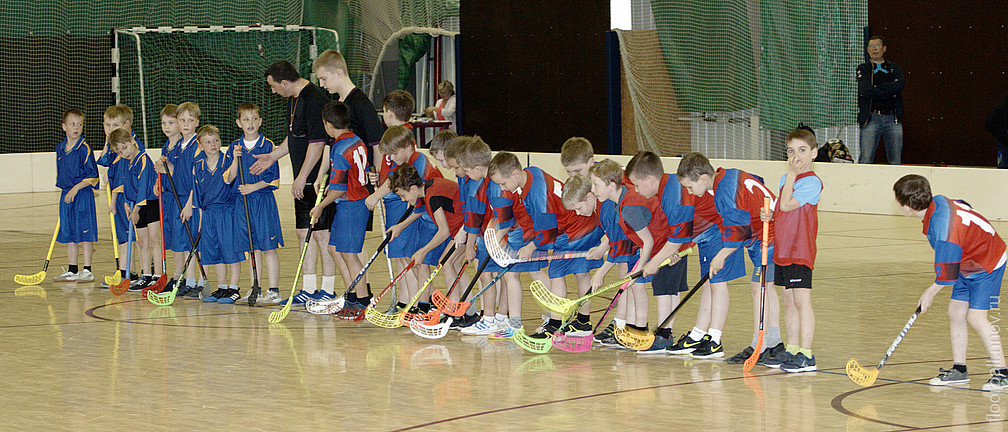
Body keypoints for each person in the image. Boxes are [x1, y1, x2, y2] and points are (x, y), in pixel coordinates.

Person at [893, 174, 1008, 391]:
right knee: (956, 311)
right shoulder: (938, 203)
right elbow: (965, 206)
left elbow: (947, 273)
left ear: (907, 207)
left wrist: (929, 292)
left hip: (987, 263)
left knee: (976, 317)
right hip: (967, 259)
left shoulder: (945, 230)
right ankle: (960, 370)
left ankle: (1003, 373)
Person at [677, 152, 781, 360]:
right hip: (762, 232)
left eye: (690, 186)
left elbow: (739, 230)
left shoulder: (724, 190)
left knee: (759, 288)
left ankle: (760, 346)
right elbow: (757, 182)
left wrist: (721, 255)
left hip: (769, 233)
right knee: (765, 288)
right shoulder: (729, 175)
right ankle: (773, 344)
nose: (689, 191)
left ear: (704, 178)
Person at [251, 61, 336, 303]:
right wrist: (272, 156)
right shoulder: (293, 99)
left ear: (285, 83)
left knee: (321, 235)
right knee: (303, 232)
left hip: (317, 180)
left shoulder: (314, 99)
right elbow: (295, 137)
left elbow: (318, 142)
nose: (273, 91)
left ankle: (328, 290)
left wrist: (302, 177)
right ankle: (309, 288)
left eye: (273, 86)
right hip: (303, 178)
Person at [587, 159, 669, 344]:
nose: (593, 189)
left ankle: (640, 331)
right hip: (646, 246)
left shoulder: (629, 207)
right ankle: (630, 329)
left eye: (596, 185)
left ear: (612, 185)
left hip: (660, 244)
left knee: (638, 285)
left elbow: (648, 241)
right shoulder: (621, 200)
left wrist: (639, 268)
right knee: (634, 287)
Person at [761, 129, 821, 372]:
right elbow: (780, 210)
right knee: (788, 300)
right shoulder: (787, 180)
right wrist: (769, 215)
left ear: (814, 153)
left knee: (801, 301)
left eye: (802, 150)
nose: (795, 156)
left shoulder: (812, 182)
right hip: (783, 249)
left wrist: (791, 174)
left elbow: (787, 204)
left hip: (800, 249)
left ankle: (807, 354)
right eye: (790, 151)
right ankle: (793, 349)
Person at [365, 125, 443, 310]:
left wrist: (376, 196)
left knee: (416, 261)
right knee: (413, 262)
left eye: (393, 154)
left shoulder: (418, 163)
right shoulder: (409, 161)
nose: (391, 159)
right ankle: (419, 303)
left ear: (408, 147)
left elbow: (415, 196)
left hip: (431, 219)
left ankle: (427, 304)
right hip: (425, 216)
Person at [625, 152, 695, 353]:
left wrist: (654, 261)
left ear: (649, 179)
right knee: (669, 288)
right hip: (680, 244)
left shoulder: (671, 193)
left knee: (664, 287)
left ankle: (664, 336)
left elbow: (680, 230)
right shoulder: (667, 188)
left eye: (637, 185)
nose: (636, 190)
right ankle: (666, 333)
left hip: (686, 241)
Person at [487, 152, 560, 338]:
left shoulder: (535, 194)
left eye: (503, 183)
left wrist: (531, 246)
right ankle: (548, 317)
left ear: (515, 174)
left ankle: (522, 324)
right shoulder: (529, 173)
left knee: (525, 273)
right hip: (537, 227)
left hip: (562, 228)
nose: (502, 188)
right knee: (531, 272)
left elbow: (548, 227)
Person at [308, 101, 371, 308]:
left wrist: (320, 206)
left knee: (350, 256)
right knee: (335, 248)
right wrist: (334, 187)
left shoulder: (340, 148)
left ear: (328, 124)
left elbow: (340, 189)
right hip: (350, 203)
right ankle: (351, 294)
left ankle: (362, 300)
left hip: (352, 205)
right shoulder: (356, 139)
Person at [387, 165, 465, 313]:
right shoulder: (426, 190)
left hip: (465, 228)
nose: (403, 200)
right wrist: (400, 226)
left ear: (414, 189)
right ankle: (460, 312)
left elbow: (444, 232)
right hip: (459, 228)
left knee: (447, 263)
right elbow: (420, 209)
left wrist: (423, 251)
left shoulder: (432, 195)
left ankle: (454, 312)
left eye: (404, 196)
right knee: (449, 264)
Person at [228, 103, 284, 304]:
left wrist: (253, 187)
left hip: (262, 202)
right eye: (246, 119)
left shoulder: (268, 146)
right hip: (242, 204)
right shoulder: (235, 147)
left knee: (268, 246)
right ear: (238, 123)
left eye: (254, 118)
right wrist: (235, 159)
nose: (250, 123)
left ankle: (274, 290)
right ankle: (256, 288)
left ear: (260, 121)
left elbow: (273, 178)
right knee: (252, 248)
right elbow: (229, 178)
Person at [458, 138, 513, 335]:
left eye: (467, 170)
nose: (465, 174)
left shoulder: (485, 185)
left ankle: (491, 318)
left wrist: (475, 246)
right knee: (499, 275)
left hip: (496, 236)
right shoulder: (488, 180)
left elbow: (480, 220)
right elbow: (476, 217)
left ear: (477, 168)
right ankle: (499, 317)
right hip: (499, 235)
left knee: (490, 275)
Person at [189, 125, 247, 304]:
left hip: (226, 212)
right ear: (200, 146)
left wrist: (236, 161)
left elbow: (230, 178)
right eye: (207, 142)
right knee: (215, 252)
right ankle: (222, 287)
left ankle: (234, 287)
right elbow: (197, 196)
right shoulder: (197, 167)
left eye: (215, 140)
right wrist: (200, 220)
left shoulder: (228, 161)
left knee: (231, 251)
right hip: (208, 214)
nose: (213, 144)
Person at [109, 128, 163, 291]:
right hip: (136, 206)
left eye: (124, 147)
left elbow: (142, 186)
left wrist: (136, 209)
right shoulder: (127, 162)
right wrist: (126, 202)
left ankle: (158, 276)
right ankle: (146, 276)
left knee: (153, 241)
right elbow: (127, 184)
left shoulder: (143, 159)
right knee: (141, 242)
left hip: (150, 204)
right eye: (119, 151)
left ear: (132, 140)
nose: (123, 153)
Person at [162, 102, 207, 298]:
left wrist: (190, 203)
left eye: (190, 120)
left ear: (197, 122)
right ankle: (187, 281)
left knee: (193, 242)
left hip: (192, 201)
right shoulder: (179, 146)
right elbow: (177, 174)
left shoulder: (197, 146)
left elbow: (196, 178)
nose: (186, 124)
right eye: (182, 120)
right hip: (178, 198)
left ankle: (198, 282)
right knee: (183, 241)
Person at [98, 105, 145, 285]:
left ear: (126, 125)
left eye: (115, 125)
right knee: (123, 235)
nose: (110, 130)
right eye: (107, 125)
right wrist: (107, 140)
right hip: (117, 196)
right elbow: (103, 161)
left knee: (134, 235)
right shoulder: (114, 145)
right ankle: (127, 271)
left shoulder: (132, 146)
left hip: (129, 196)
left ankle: (141, 272)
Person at [53, 109, 99, 283]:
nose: (76, 128)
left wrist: (75, 189)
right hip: (66, 196)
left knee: (84, 232)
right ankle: (72, 269)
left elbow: (92, 176)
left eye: (80, 124)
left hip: (82, 195)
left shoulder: (84, 149)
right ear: (64, 126)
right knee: (69, 232)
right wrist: (67, 191)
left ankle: (87, 270)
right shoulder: (60, 148)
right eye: (72, 124)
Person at [857, 36, 905, 165]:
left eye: (877, 45)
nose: (874, 49)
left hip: (892, 119)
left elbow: (899, 86)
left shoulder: (894, 68)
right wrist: (888, 90)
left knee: (895, 160)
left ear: (884, 48)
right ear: (867, 50)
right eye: (871, 46)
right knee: (865, 159)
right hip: (871, 118)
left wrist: (877, 88)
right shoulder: (863, 68)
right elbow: (866, 90)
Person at [157, 104, 182, 291]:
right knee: (172, 241)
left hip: (179, 198)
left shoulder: (183, 147)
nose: (166, 127)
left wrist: (168, 168)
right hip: (167, 199)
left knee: (182, 241)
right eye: (164, 123)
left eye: (171, 122)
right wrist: (157, 183)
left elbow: (182, 174)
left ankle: (180, 277)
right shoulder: (166, 146)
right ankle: (176, 275)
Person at [984, 91, 1008, 168]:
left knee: (1006, 155)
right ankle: (1001, 176)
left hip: (997, 123)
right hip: (998, 124)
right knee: (1007, 155)